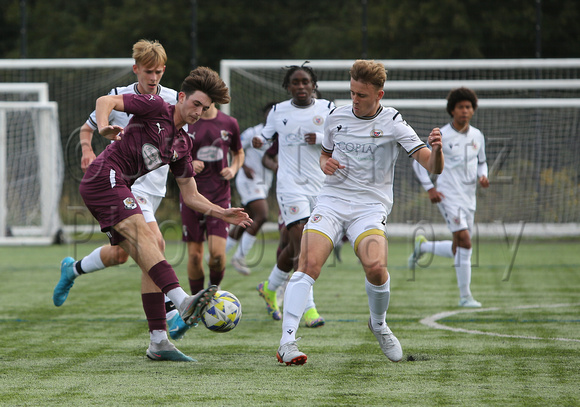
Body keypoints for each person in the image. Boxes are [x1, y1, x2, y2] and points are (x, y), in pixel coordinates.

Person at [275, 59, 444, 366]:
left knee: (377, 268)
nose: (354, 99)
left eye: (361, 95)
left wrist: (438, 151)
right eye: (352, 92)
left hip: (369, 208)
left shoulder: (394, 123)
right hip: (331, 202)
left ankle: (378, 324)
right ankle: (287, 342)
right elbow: (326, 154)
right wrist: (325, 162)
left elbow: (431, 165)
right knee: (308, 263)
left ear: (379, 95)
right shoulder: (336, 117)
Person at [77, 66, 251, 362]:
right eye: (195, 103)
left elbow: (191, 196)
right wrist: (105, 126)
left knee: (151, 253)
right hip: (104, 176)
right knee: (147, 237)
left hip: (118, 186)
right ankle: (183, 301)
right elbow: (106, 101)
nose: (198, 111)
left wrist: (222, 213)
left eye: (205, 108)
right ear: (181, 97)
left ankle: (158, 341)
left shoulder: (183, 144)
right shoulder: (154, 105)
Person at [54, 39, 176, 307]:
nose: (153, 77)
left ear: (163, 70)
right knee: (154, 244)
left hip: (155, 188)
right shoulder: (119, 95)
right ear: (136, 69)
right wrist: (88, 149)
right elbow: (87, 128)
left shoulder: (172, 99)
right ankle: (169, 311)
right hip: (126, 184)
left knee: (120, 255)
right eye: (148, 71)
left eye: (158, 72)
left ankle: (72, 269)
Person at [254, 63, 333, 327]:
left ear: (314, 85)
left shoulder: (328, 109)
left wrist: (320, 138)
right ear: (288, 87)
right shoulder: (278, 111)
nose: (301, 86)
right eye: (295, 82)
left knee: (292, 247)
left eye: (305, 82)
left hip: (320, 187)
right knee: (303, 248)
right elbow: (265, 138)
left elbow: (341, 141)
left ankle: (270, 286)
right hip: (290, 187)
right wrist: (259, 142)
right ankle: (308, 309)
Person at [408, 87, 489, 308]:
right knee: (465, 241)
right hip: (447, 195)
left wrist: (483, 176)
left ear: (473, 110)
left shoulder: (477, 135)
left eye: (469, 107)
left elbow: (482, 161)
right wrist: (429, 188)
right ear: (452, 110)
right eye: (461, 107)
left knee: (458, 248)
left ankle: (423, 247)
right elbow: (418, 162)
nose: (465, 110)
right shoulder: (441, 135)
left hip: (468, 198)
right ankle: (465, 297)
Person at [225, 101, 277, 275]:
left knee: (244, 220)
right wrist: (243, 167)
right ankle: (239, 256)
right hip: (248, 180)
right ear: (264, 115)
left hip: (263, 183)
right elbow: (234, 149)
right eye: (269, 113)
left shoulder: (280, 136)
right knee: (262, 215)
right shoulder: (253, 132)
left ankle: (218, 255)